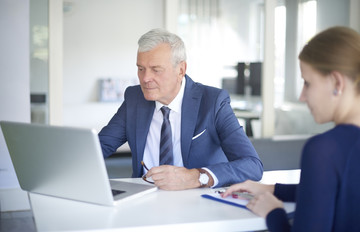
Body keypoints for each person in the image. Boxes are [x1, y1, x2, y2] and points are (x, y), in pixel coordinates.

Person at [222, 26, 360, 231]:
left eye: (307, 83)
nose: (302, 96)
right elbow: (340, 191)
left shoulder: (325, 149)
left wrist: (273, 212)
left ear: (337, 82)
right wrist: (270, 189)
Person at [98, 28, 263, 191]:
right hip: (143, 197)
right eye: (141, 69)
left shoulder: (213, 102)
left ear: (181, 70)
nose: (145, 78)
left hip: (197, 200)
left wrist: (196, 177)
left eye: (156, 70)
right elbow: (100, 146)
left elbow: (252, 165)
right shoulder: (135, 98)